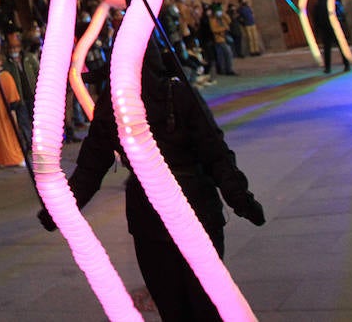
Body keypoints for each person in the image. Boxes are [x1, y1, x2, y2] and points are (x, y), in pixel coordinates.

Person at [39, 41, 266, 321]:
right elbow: (215, 153)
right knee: (206, 304)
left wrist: (58, 210)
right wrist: (242, 200)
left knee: (175, 308)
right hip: (195, 211)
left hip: (152, 219)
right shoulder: (178, 93)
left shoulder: (115, 104)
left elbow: (89, 170)